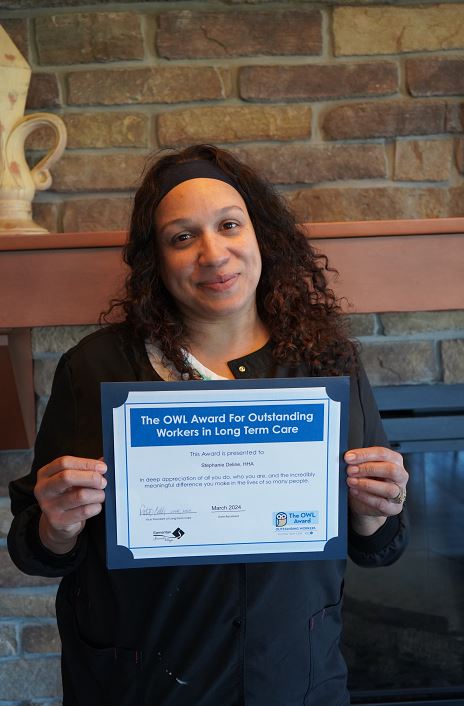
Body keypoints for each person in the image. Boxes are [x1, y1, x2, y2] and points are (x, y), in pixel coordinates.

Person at [8, 144, 408, 706]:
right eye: (182, 237)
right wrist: (58, 525)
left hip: (290, 680)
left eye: (229, 225)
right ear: (156, 259)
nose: (214, 253)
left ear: (259, 235)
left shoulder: (325, 360)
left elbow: (381, 545)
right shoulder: (96, 367)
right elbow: (35, 548)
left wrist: (375, 510)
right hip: (143, 683)